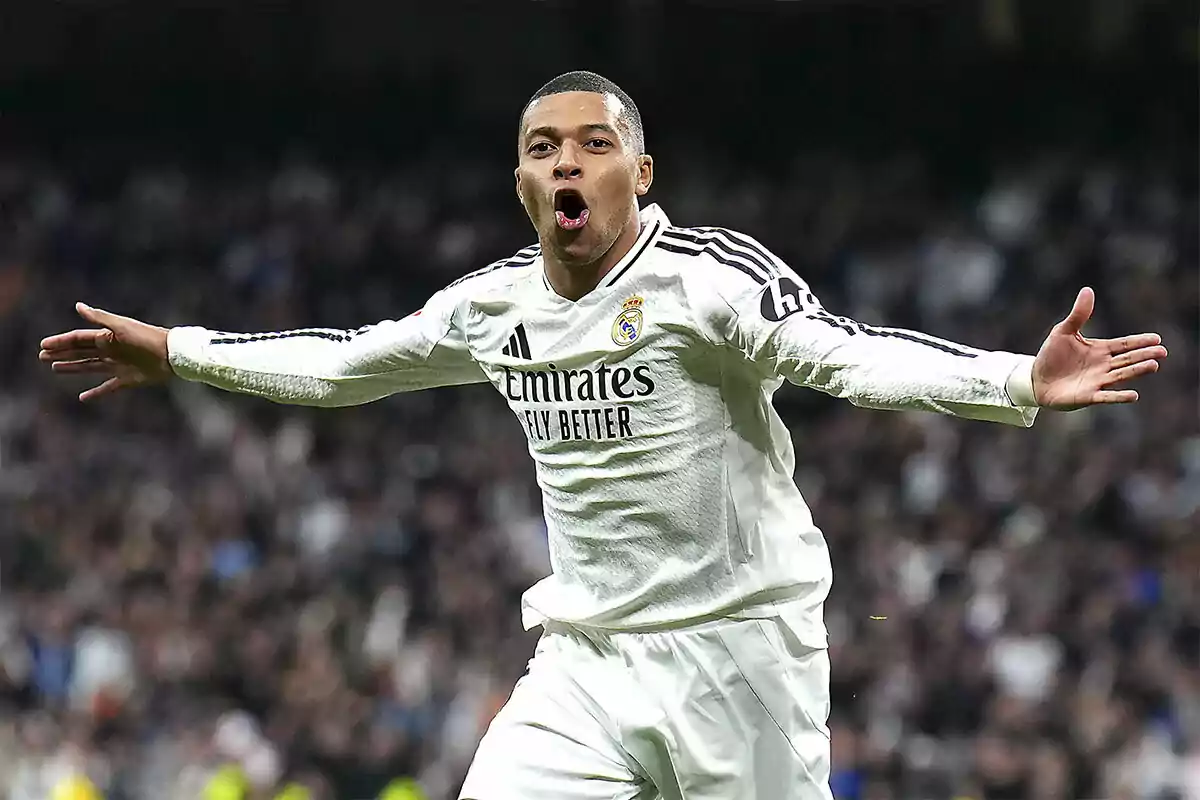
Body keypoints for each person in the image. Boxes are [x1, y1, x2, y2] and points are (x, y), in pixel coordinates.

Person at [38, 71, 1167, 800]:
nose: (565, 162)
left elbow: (847, 352)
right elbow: (345, 364)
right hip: (587, 660)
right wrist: (181, 350)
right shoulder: (492, 305)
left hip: (741, 652)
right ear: (521, 180)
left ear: (642, 172)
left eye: (591, 143)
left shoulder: (707, 281)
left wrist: (1017, 379)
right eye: (542, 146)